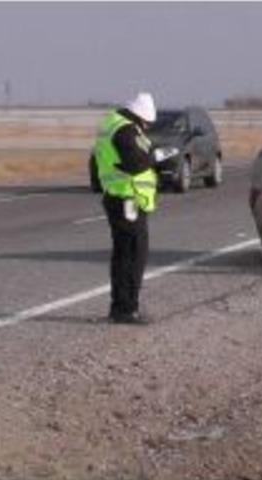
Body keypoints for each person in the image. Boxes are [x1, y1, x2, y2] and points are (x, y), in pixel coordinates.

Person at [93, 93, 159, 323]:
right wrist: (155, 157)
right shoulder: (126, 131)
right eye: (147, 122)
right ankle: (127, 310)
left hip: (117, 197)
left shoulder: (110, 125)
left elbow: (95, 161)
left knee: (123, 254)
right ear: (139, 115)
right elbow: (135, 163)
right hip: (127, 200)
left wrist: (101, 187)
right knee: (133, 254)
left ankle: (120, 307)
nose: (147, 126)